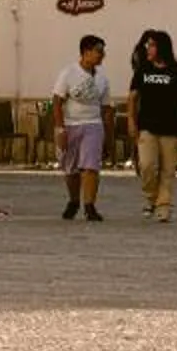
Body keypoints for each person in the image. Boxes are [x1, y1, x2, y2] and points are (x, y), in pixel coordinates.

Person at [127, 28, 177, 221]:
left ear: (161, 47)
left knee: (168, 170)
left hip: (172, 127)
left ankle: (163, 206)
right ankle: (152, 198)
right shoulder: (143, 70)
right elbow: (133, 98)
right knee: (147, 166)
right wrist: (131, 121)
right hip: (147, 127)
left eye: (151, 45)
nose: (148, 48)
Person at [51, 34, 113, 220]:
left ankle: (89, 205)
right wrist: (60, 129)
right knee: (71, 168)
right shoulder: (69, 73)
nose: (101, 56)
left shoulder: (102, 79)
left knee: (90, 166)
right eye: (98, 51)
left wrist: (108, 135)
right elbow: (56, 101)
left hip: (93, 124)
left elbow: (106, 108)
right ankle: (74, 200)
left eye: (103, 52)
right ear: (85, 52)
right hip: (71, 125)